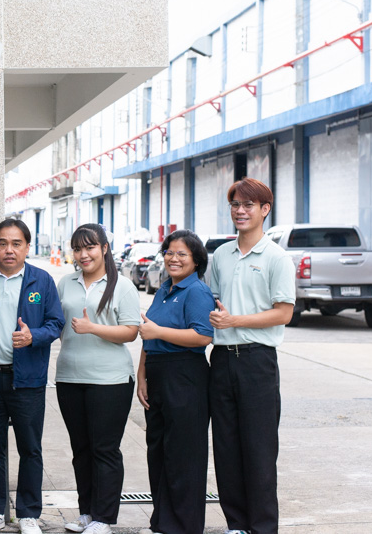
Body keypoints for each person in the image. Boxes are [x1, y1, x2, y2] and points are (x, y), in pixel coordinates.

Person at [207, 178, 295, 534]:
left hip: (258, 361)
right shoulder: (221, 256)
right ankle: (236, 525)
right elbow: (210, 301)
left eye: (248, 205)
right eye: (235, 205)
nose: (240, 212)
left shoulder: (276, 258)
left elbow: (283, 312)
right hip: (222, 360)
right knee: (226, 447)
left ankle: (262, 528)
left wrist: (235, 320)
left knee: (258, 450)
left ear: (264, 210)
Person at [0, 219, 64, 534]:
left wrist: (33, 336)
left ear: (26, 246)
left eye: (16, 243)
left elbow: (56, 323)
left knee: (30, 448)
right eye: (2, 243)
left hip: (28, 381)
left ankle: (27, 513)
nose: (9, 250)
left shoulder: (42, 279)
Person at [56, 223, 141, 534]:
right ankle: (87, 514)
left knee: (104, 449)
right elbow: (58, 325)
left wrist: (93, 328)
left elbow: (131, 332)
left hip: (111, 380)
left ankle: (104, 518)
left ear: (104, 248)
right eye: (78, 249)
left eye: (90, 247)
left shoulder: (122, 286)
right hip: (69, 376)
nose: (83, 254)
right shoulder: (66, 282)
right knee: (81, 448)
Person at [137, 229, 216, 534]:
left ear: (196, 261)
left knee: (184, 454)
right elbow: (148, 332)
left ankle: (184, 525)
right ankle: (162, 521)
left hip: (185, 375)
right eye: (169, 252)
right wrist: (142, 375)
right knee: (158, 450)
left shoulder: (197, 292)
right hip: (157, 372)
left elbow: (203, 336)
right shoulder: (163, 289)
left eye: (182, 254)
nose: (174, 258)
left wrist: (159, 334)